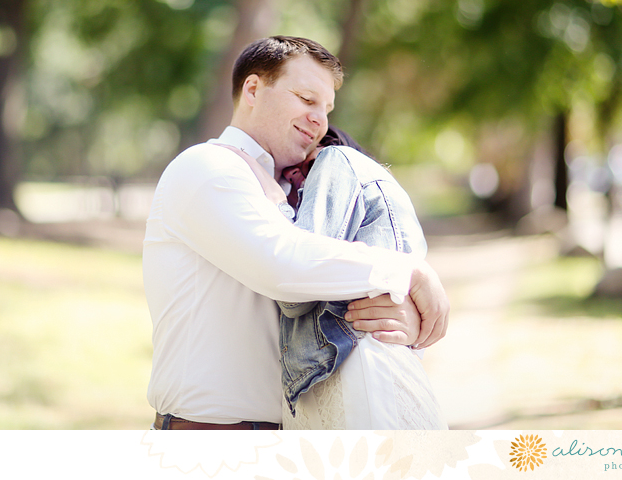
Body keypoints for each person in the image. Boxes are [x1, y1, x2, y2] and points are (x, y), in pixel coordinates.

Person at [143, 35, 450, 429]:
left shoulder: (302, 192)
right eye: (307, 99)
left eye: (326, 109)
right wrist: (405, 271)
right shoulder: (207, 167)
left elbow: (325, 291)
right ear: (253, 90)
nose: (320, 119)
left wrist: (395, 312)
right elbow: (283, 264)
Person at [228, 127, 446, 429]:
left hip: (360, 381)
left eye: (301, 174)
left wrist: (277, 204)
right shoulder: (380, 203)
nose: (297, 189)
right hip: (367, 379)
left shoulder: (335, 159)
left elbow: (295, 292)